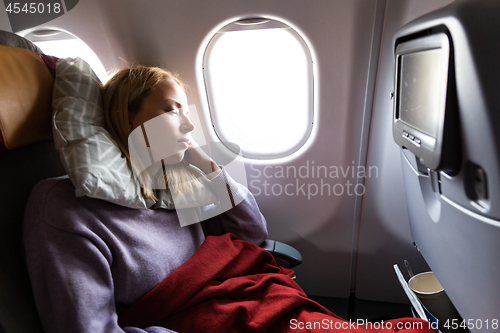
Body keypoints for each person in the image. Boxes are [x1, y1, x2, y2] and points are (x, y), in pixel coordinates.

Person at [23, 65, 268, 333]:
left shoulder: (171, 185)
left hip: (234, 303)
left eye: (187, 112)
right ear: (128, 118)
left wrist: (207, 165)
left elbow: (252, 234)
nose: (190, 124)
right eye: (172, 111)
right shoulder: (64, 208)